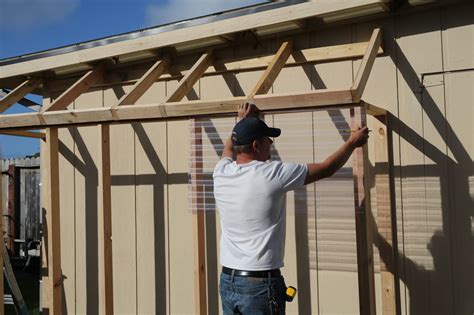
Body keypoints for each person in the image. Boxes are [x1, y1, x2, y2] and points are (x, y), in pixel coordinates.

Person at [213, 103, 369, 314]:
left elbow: (229, 148)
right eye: (267, 138)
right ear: (256, 145)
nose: (271, 142)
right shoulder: (272, 174)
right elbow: (326, 168)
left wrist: (242, 123)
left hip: (228, 280)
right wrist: (352, 143)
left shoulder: (221, 172)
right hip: (259, 285)